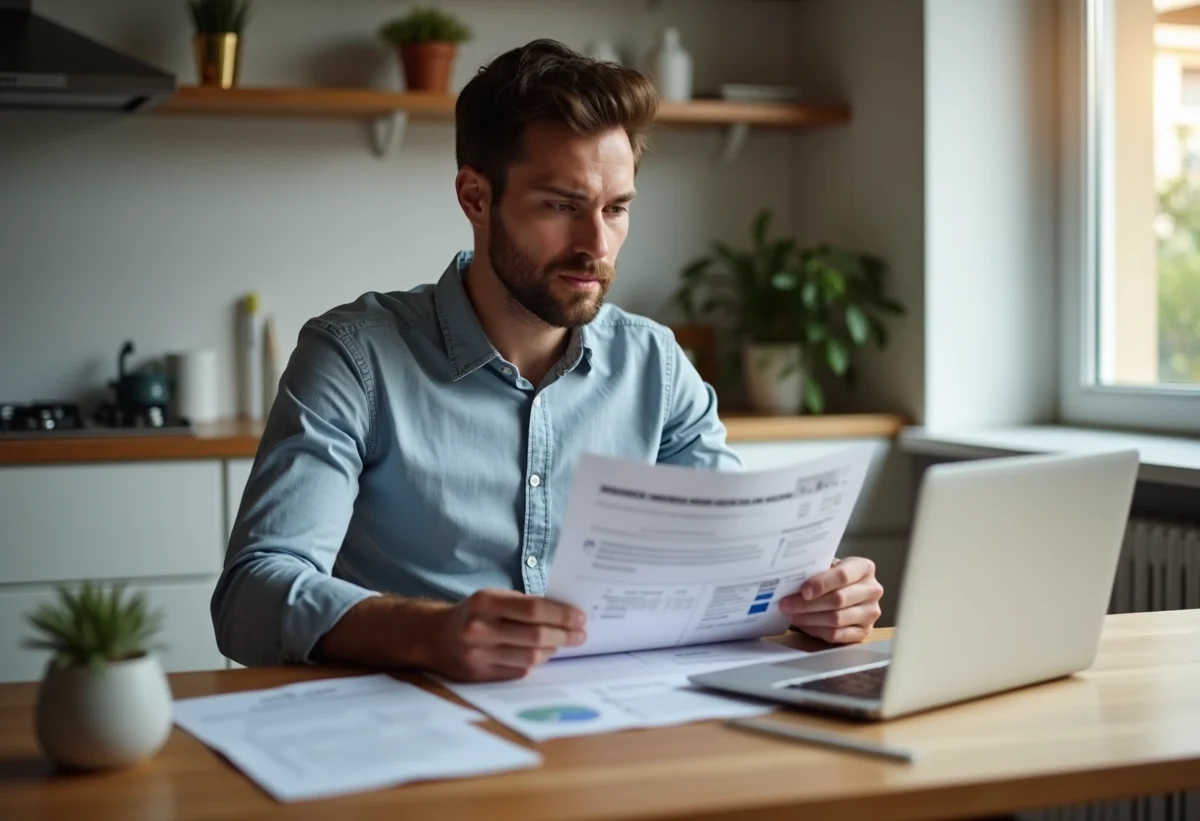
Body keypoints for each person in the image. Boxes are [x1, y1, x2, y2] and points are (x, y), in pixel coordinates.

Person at [211, 39, 883, 682]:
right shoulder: (354, 357)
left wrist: (816, 597)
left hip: (613, 732)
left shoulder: (657, 364)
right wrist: (430, 633)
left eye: (616, 208)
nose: (598, 243)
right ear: (476, 197)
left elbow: (730, 565)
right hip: (413, 734)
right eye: (563, 206)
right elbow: (251, 594)